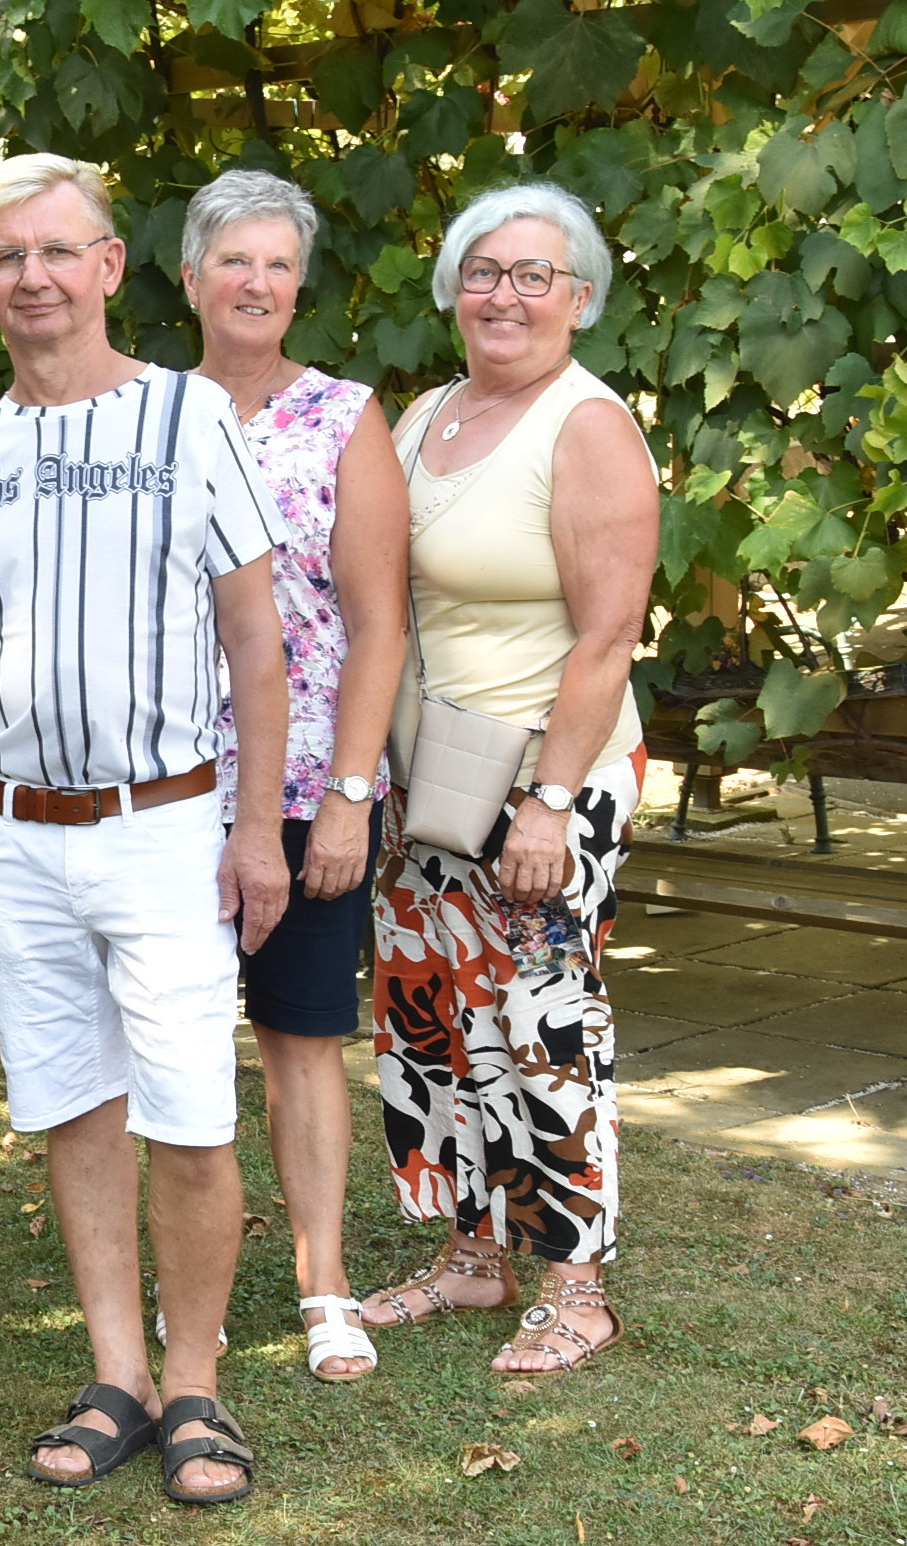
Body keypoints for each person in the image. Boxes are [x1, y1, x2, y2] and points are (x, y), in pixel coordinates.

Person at [0, 154, 291, 1505]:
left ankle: (198, 1384)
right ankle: (118, 1372)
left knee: (187, 1113)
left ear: (112, 264)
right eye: (4, 256)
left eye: (57, 250)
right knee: (70, 1105)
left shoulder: (189, 420)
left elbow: (256, 641)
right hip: (9, 838)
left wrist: (257, 834)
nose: (33, 277)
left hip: (161, 827)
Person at [359, 182, 658, 1378]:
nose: (506, 295)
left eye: (537, 275)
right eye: (485, 271)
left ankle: (574, 1286)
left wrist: (549, 799)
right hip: (434, 769)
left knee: (542, 1020)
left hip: (548, 771)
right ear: (452, 288)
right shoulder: (428, 412)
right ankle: (473, 1259)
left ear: (579, 298)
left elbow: (607, 634)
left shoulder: (586, 426)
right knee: (436, 1013)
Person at [181, 169, 408, 1382]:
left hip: (306, 781)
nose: (257, 282)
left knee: (301, 1037)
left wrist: (347, 796)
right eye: (234, 260)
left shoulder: (343, 418)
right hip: (164, 788)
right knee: (166, 1044)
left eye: (277, 263)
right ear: (189, 277)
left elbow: (379, 624)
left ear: (299, 282)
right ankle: (191, 1293)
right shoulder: (148, 413)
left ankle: (325, 1284)